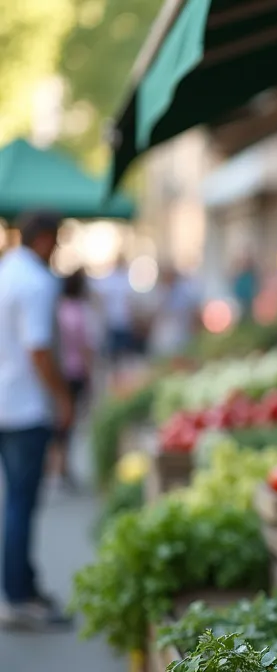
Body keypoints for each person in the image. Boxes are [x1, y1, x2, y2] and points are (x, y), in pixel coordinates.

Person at [0, 210, 74, 629]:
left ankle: (21, 585)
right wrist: (62, 397)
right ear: (45, 238)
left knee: (14, 502)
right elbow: (39, 349)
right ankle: (18, 595)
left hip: (6, 401)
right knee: (20, 505)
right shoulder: (36, 282)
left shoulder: (7, 271)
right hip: (26, 408)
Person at [51, 268, 98, 490]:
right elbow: (86, 346)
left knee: (61, 419)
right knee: (68, 420)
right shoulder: (79, 311)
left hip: (60, 371)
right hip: (75, 372)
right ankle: (61, 466)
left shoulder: (58, 309)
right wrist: (90, 374)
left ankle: (58, 464)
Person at [148, 266, 202, 359]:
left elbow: (192, 310)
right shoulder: (160, 291)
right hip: (164, 334)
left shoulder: (183, 291)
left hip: (180, 333)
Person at [94, 257, 138, 363]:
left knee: (123, 351)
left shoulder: (125, 278)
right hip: (113, 320)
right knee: (114, 352)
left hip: (123, 320)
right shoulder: (111, 278)